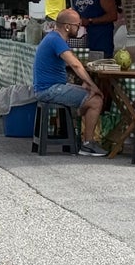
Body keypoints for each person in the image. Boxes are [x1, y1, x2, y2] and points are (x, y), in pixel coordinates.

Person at [32, 8, 106, 156]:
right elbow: (75, 64)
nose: (79, 28)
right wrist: (93, 85)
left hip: (48, 87)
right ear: (67, 26)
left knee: (86, 93)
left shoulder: (52, 38)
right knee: (96, 100)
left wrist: (85, 84)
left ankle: (79, 124)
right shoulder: (56, 40)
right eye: (77, 25)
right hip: (50, 90)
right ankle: (88, 143)